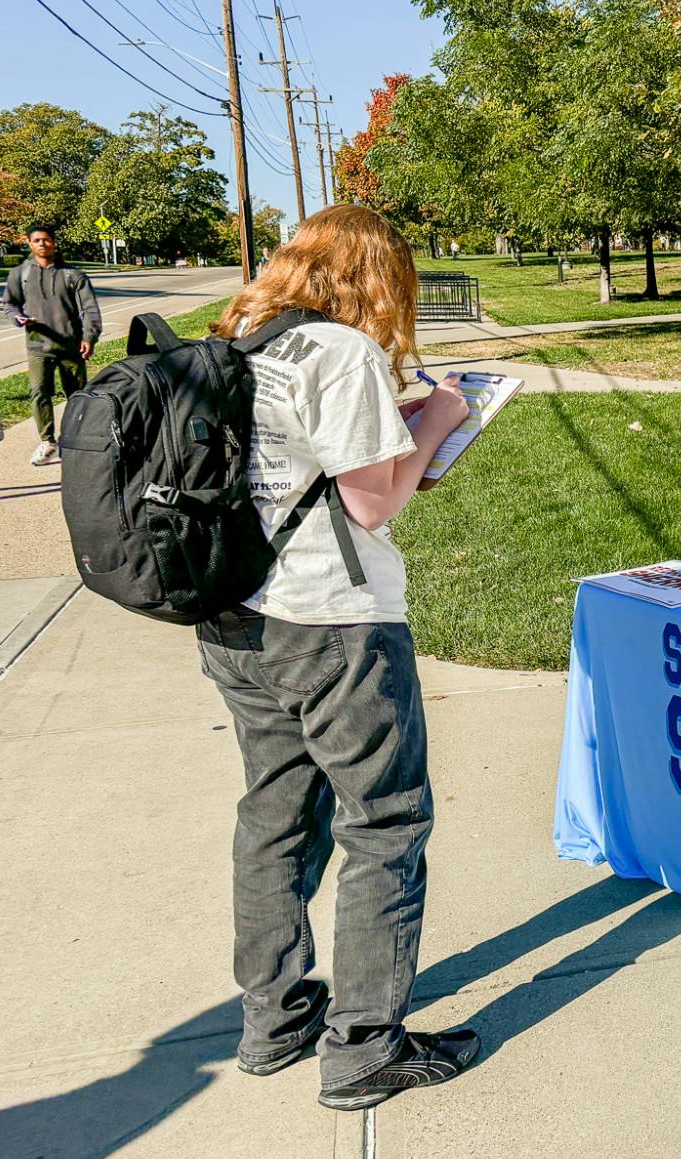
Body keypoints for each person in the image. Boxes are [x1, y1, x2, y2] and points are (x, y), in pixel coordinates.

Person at [200, 204, 480, 1111]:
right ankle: (364, 1047)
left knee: (276, 818)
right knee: (385, 824)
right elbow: (372, 505)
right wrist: (436, 418)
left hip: (240, 618)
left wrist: (391, 432)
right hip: (334, 623)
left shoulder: (244, 338)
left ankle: (273, 1019)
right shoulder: (340, 353)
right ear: (376, 277)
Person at [3, 223, 100, 466]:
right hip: (38, 346)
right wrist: (18, 317)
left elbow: (89, 309)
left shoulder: (72, 275)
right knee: (39, 393)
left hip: (71, 346)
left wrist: (89, 336)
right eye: (37, 240)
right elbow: (10, 304)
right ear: (29, 243)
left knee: (77, 396)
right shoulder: (20, 274)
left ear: (54, 242)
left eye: (46, 240)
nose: (42, 244)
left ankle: (74, 440)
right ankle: (48, 442)